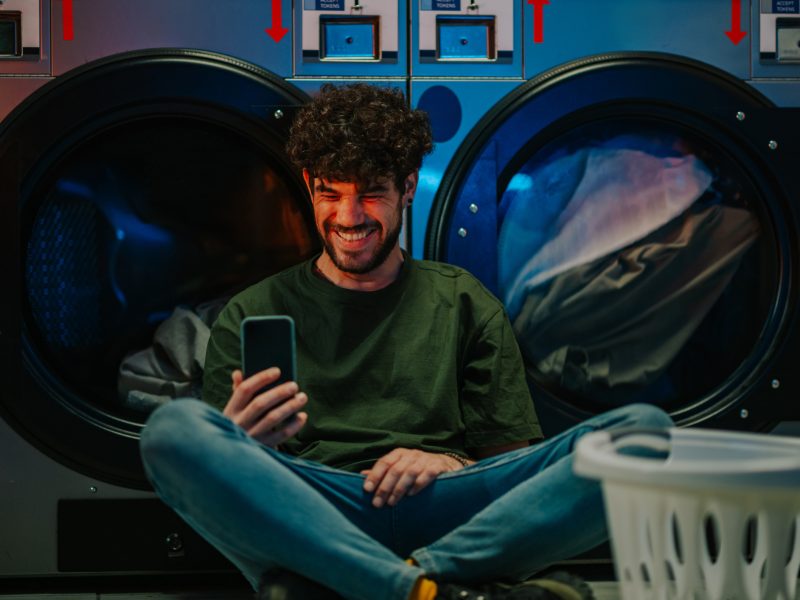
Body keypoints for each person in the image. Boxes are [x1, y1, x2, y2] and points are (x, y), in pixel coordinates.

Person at [140, 83, 673, 600]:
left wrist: (450, 463)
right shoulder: (250, 313)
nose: (349, 217)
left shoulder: (464, 301)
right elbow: (235, 483)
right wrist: (242, 445)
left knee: (642, 433)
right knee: (174, 431)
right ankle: (426, 590)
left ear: (409, 187)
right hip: (315, 507)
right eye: (331, 193)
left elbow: (512, 475)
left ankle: (376, 584)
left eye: (371, 193)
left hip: (445, 508)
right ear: (308, 185)